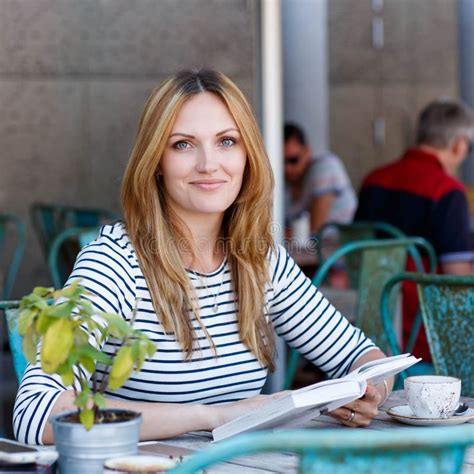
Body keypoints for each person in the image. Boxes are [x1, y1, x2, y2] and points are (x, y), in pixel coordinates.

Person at [14, 70, 391, 445]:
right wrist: (211, 416)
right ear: (155, 162)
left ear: (248, 156)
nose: (209, 163)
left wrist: (372, 390)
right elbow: (36, 413)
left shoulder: (259, 258)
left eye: (227, 141)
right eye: (183, 144)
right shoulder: (114, 261)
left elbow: (360, 356)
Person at [355, 99, 474, 359]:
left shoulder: (374, 179)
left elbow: (354, 253)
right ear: (459, 145)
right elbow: (458, 278)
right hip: (423, 327)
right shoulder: (447, 191)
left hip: (368, 313)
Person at [284, 123, 357, 235]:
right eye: (281, 161)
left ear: (307, 151)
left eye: (293, 160)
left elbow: (316, 229)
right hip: (311, 248)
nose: (287, 168)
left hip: (340, 247)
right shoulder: (281, 183)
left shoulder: (325, 166)